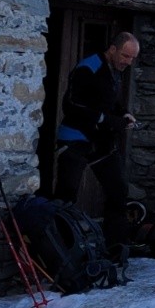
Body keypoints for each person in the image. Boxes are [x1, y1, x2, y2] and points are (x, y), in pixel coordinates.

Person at [52, 31, 138, 251]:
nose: (128, 62)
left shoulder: (115, 70)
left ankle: (117, 246)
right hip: (75, 137)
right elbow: (71, 104)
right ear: (112, 49)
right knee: (66, 194)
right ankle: (60, 249)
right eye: (125, 56)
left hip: (101, 141)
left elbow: (109, 101)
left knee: (118, 189)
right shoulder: (88, 67)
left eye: (132, 58)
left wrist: (123, 113)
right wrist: (106, 120)